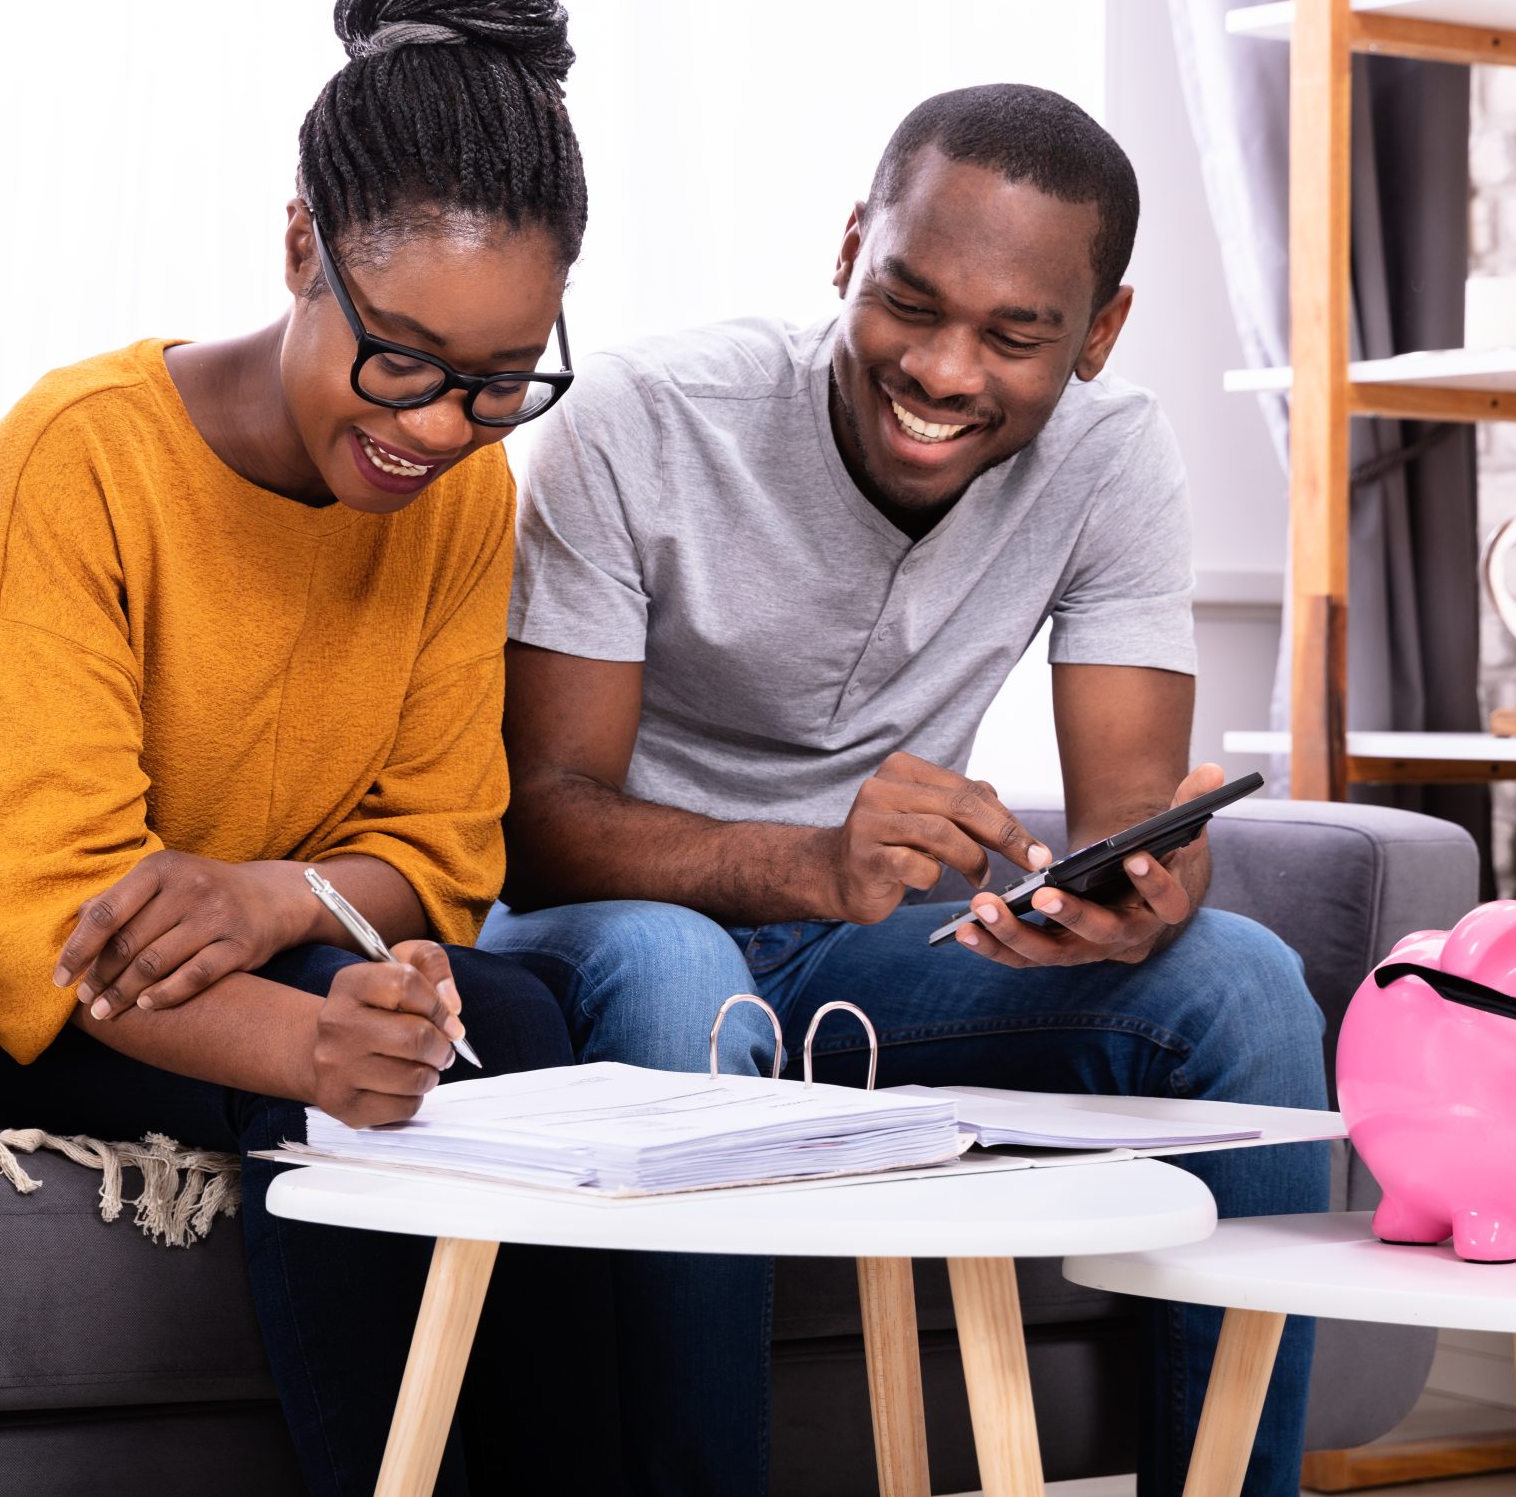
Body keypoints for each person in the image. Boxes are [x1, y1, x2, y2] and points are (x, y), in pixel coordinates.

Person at [0, 0, 616, 1496]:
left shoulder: (466, 493)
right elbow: (35, 923)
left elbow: (447, 853)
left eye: (502, 377)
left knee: (517, 1024)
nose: (443, 427)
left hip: (191, 925)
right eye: (401, 362)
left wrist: (270, 902)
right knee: (359, 1084)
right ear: (300, 247)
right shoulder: (78, 459)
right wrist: (321, 1043)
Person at [485, 83, 1330, 1497]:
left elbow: (1130, 827)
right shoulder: (645, 415)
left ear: (1100, 335)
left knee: (1241, 985)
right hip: (618, 925)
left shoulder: (1114, 458)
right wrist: (810, 861)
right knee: (685, 972)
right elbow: (546, 823)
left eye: (1015, 336)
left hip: (868, 954)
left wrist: (1144, 897)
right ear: (849, 250)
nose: (944, 371)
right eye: (910, 303)